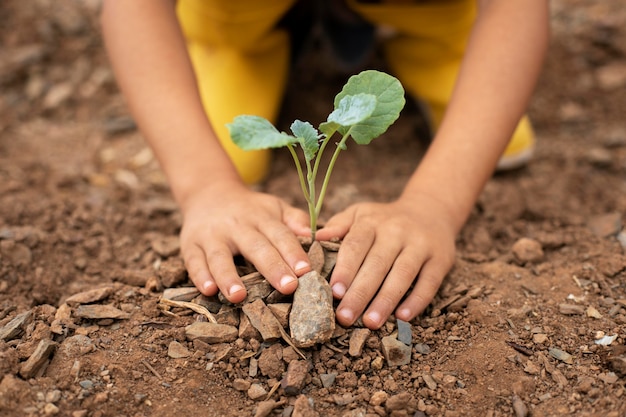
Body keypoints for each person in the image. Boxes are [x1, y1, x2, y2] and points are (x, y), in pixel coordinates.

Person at [100, 0, 549, 330]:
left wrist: (435, 204)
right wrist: (206, 187)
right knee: (224, 152)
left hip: (419, 7)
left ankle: (423, 37)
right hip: (238, 12)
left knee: (503, 140)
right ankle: (247, 45)